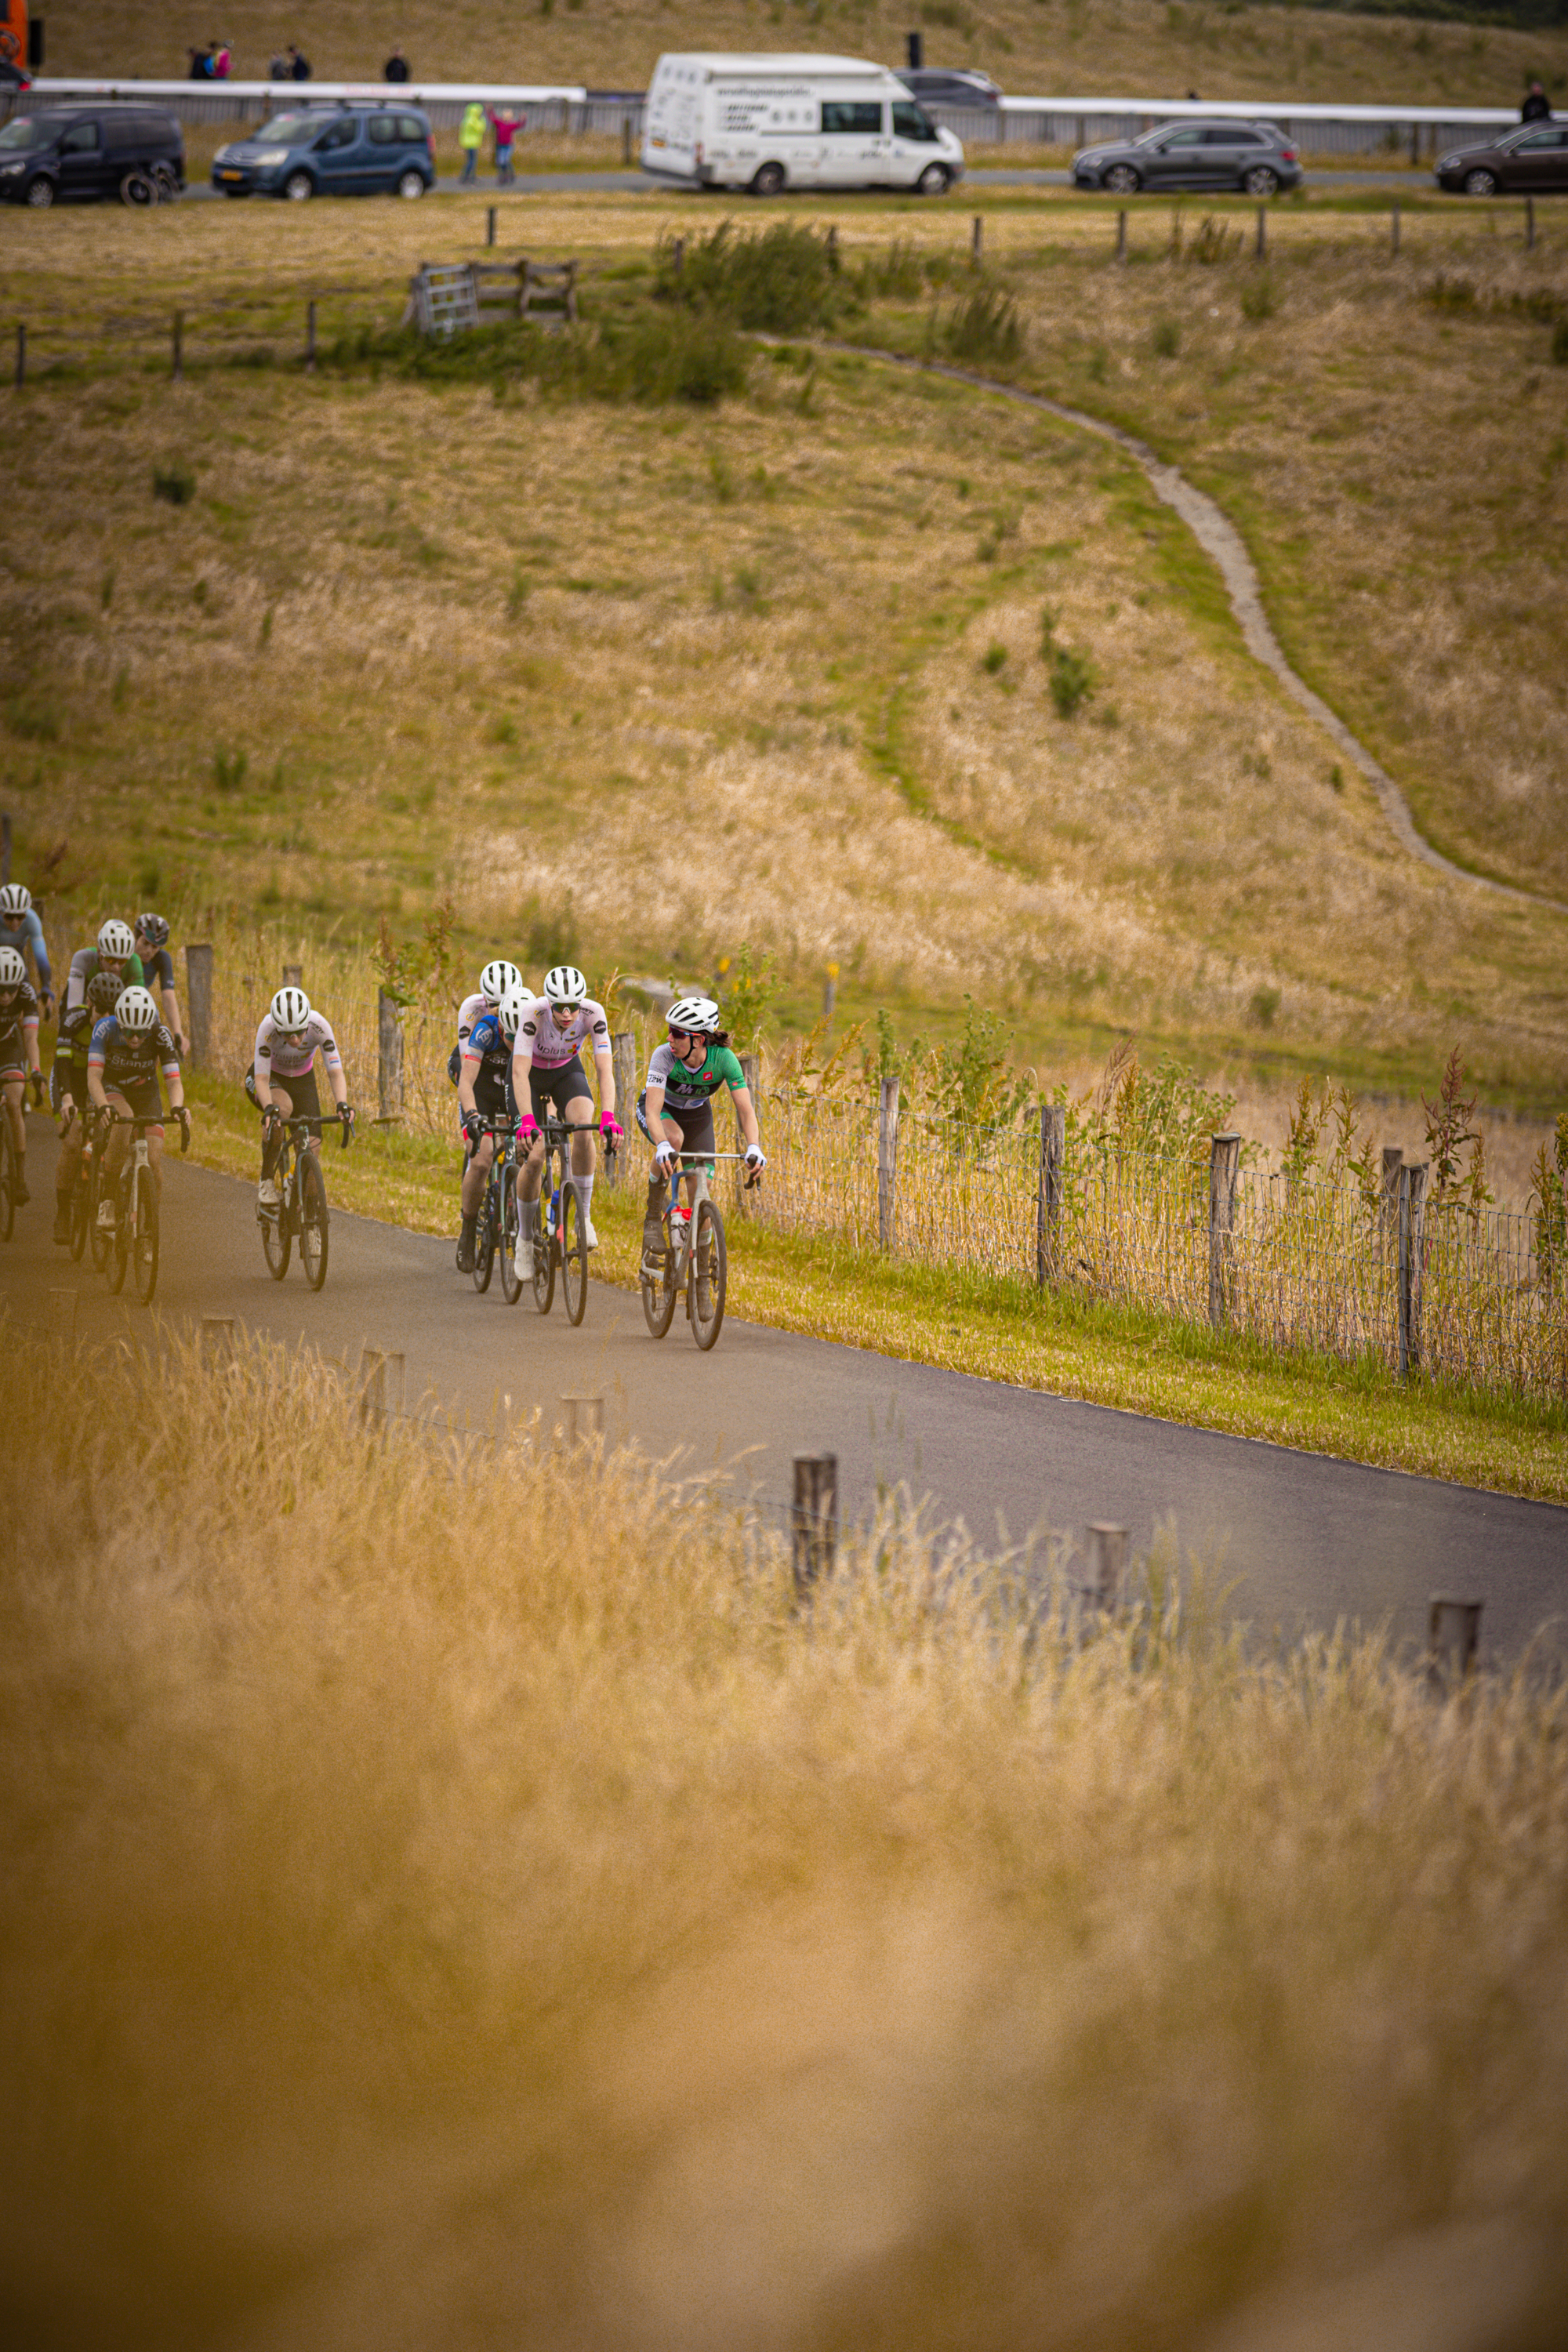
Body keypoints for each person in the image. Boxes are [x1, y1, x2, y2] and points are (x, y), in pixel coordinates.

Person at [510, 964, 620, 1271]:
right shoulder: (534, 1013)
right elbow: (518, 1071)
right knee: (534, 1157)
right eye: (560, 1007)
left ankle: (582, 1219)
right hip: (529, 1075)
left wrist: (608, 1117)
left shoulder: (593, 1013)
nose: (568, 1014)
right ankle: (524, 1240)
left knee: (585, 1128)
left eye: (574, 1006)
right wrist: (528, 1121)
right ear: (550, 1003)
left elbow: (604, 1070)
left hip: (565, 1072)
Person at [637, 997, 764, 1262]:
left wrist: (754, 1146)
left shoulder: (724, 1060)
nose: (669, 1038)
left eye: (677, 1033)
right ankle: (652, 1217)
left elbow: (746, 1110)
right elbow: (652, 1110)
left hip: (697, 1116)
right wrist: (661, 1145)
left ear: (699, 1039)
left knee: (701, 1187)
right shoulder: (664, 1055)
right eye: (670, 1030)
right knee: (673, 1139)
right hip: (662, 1111)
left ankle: (703, 1273)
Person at [86, 985, 188, 1229]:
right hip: (112, 1086)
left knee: (153, 1159)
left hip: (145, 1090)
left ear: (150, 1027)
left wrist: (177, 1107)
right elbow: (93, 1077)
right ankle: (107, 1199)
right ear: (120, 1024)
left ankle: (150, 1229)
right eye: (129, 1031)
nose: (134, 1038)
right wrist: (102, 1106)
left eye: (141, 1032)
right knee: (124, 1120)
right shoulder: (105, 1029)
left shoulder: (160, 1034)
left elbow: (173, 1081)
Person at [251, 984, 351, 1209]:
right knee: (281, 1110)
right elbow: (261, 1080)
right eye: (287, 1034)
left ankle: (309, 1218)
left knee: (312, 1149)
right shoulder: (267, 1028)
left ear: (307, 1022)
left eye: (299, 1032)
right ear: (278, 1027)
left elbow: (335, 1072)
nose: (295, 1040)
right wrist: (269, 1107)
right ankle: (266, 1179)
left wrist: (342, 1104)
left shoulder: (319, 1026)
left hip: (303, 1079)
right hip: (271, 1078)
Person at [455, 984, 525, 1271]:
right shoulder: (486, 1029)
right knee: (482, 1160)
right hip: (482, 1089)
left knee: (524, 1151)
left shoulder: (531, 1036)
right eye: (507, 1036)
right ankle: (468, 1229)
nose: (511, 1043)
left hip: (511, 1088)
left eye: (516, 1039)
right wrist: (472, 1115)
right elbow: (466, 1082)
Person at [50, 969, 121, 1243]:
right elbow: (63, 1063)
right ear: (90, 1003)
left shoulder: (118, 1027)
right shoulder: (72, 1019)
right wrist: (67, 1097)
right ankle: (62, 1213)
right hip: (69, 1080)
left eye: (110, 1011)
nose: (105, 1017)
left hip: (95, 1082)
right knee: (73, 1138)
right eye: (100, 1010)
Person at [0, 946, 43, 1207]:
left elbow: (30, 1037)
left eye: (10, 991)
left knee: (14, 1103)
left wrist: (36, 1070)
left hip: (8, 1045)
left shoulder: (26, 993)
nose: (5, 997)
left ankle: (19, 1177)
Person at [64, 919, 145, 1022]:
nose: (116, 967)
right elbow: (73, 1006)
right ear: (99, 953)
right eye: (110, 960)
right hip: (85, 1002)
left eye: (122, 961)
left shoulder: (134, 961)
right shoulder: (83, 958)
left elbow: (139, 1007)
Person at [132, 913, 187, 1057]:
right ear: (135, 937)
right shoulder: (125, 951)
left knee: (154, 1016)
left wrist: (177, 1033)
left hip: (139, 1000)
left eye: (155, 946)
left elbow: (168, 996)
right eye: (145, 943)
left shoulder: (162, 958)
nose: (149, 950)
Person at [0, 882, 54, 1015]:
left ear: (26, 913)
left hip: (17, 954)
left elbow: (41, 957)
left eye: (20, 916)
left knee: (26, 991)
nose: (15, 922)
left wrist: (46, 986)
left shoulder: (32, 920)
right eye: (9, 916)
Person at [491, 107, 523, 186]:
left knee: (505, 160)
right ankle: (504, 176)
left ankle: (510, 175)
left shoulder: (511, 125)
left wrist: (522, 118)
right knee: (501, 161)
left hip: (508, 145)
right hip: (500, 145)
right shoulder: (500, 123)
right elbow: (493, 118)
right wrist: (490, 109)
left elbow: (520, 125)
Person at [459, 100, 486, 184]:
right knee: (472, 161)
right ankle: (468, 177)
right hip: (472, 143)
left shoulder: (466, 119)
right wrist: (482, 121)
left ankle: (468, 176)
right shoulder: (473, 121)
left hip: (467, 142)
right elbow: (481, 129)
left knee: (470, 161)